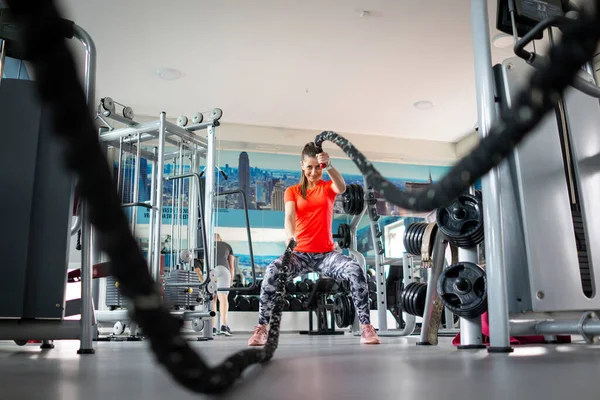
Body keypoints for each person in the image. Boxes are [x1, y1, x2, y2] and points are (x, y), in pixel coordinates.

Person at [248, 142, 381, 346]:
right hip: (299, 255)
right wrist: (289, 236)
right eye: (309, 167)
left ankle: (366, 328)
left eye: (317, 167)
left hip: (326, 255)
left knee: (355, 269)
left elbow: (342, 187)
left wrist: (329, 166)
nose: (313, 172)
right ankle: (261, 329)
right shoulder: (292, 191)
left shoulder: (327, 188)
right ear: (302, 165)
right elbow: (289, 216)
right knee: (271, 273)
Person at [211, 233, 235, 336]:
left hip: (211, 271)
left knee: (213, 299)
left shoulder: (208, 246)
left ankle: (212, 328)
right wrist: (231, 280)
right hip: (224, 270)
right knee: (223, 297)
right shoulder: (227, 245)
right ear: (221, 239)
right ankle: (224, 326)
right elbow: (231, 266)